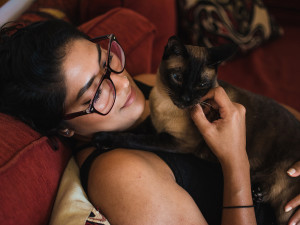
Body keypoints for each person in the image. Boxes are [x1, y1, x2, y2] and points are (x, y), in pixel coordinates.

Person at [0, 19, 299, 225]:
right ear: (64, 127)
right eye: (95, 92)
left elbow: (275, 114)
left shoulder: (145, 88)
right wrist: (236, 162)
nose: (120, 81)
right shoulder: (120, 176)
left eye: (106, 60)